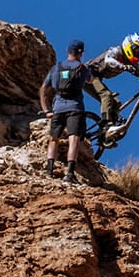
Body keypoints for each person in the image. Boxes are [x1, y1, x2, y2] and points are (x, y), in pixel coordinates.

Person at [41, 41, 104, 182]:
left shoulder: (56, 68)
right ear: (81, 52)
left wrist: (46, 109)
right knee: (73, 139)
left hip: (57, 108)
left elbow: (44, 89)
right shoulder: (83, 68)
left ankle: (49, 171)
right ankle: (69, 174)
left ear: (67, 51)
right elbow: (90, 80)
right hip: (75, 107)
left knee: (53, 139)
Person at [88, 34, 139, 137]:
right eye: (138, 50)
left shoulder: (130, 61)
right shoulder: (116, 51)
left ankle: (107, 137)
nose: (138, 53)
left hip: (96, 78)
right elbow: (109, 61)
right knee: (106, 96)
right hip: (88, 75)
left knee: (116, 103)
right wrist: (124, 67)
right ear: (130, 46)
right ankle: (107, 126)